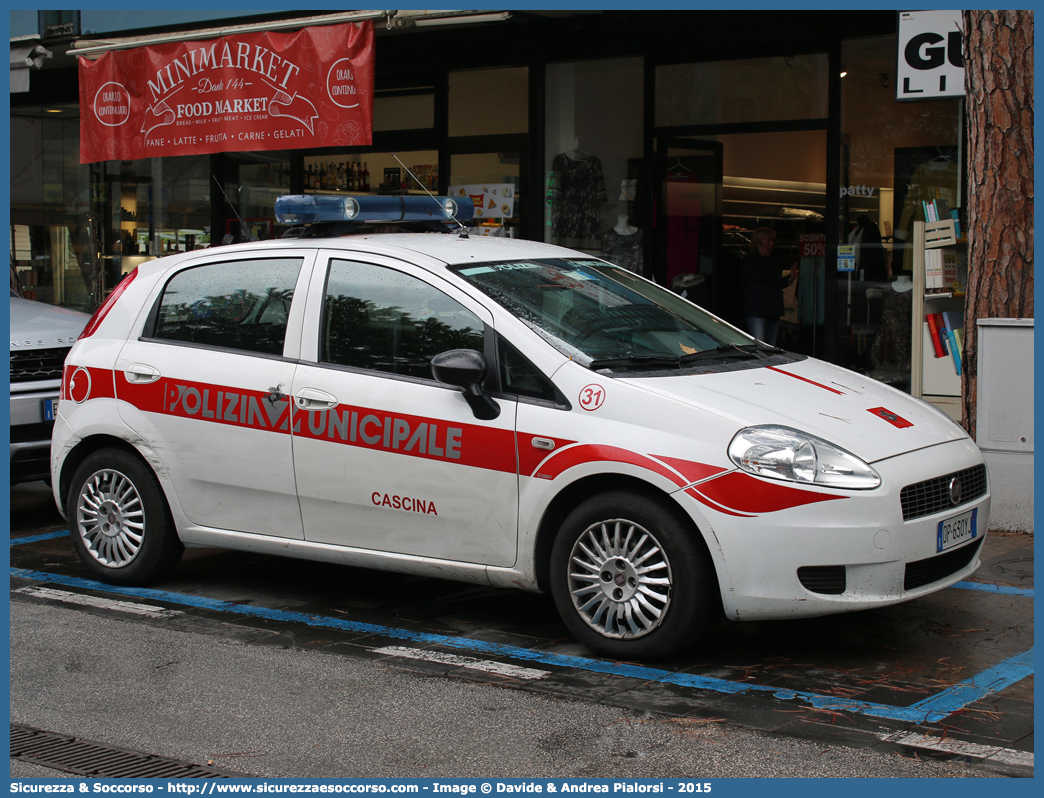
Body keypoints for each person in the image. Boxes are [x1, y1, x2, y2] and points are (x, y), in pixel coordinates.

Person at [740, 227, 797, 345]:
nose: (772, 244)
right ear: (759, 242)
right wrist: (765, 258)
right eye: (769, 240)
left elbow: (775, 283)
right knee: (760, 344)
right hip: (757, 309)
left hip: (772, 308)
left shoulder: (772, 259)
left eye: (772, 241)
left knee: (771, 345)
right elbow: (759, 277)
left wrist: (790, 278)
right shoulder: (749, 259)